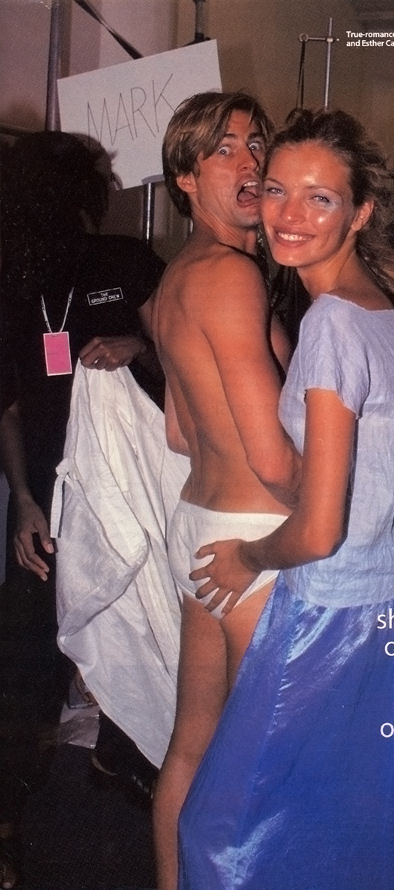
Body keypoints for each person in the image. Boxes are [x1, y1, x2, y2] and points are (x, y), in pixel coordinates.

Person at [180, 108, 394, 889]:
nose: (288, 214)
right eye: (276, 190)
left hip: (331, 621)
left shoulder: (332, 323)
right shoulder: (376, 305)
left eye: (318, 198)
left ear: (359, 212)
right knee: (344, 826)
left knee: (221, 836)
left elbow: (319, 529)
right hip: (390, 608)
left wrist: (247, 557)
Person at [0, 130, 165, 889]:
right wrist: (24, 502)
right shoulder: (11, 281)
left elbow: (184, 348)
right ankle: (11, 817)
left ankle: (124, 759)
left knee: (142, 624)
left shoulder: (125, 261)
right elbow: (7, 406)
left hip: (127, 487)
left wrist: (136, 343)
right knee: (28, 650)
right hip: (47, 488)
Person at [149, 92, 301, 890]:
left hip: (203, 522)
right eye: (222, 150)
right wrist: (346, 501)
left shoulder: (179, 277)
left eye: (255, 143)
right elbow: (273, 457)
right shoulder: (231, 277)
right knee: (265, 767)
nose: (248, 162)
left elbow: (181, 433)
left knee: (193, 746)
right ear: (185, 178)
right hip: (253, 538)